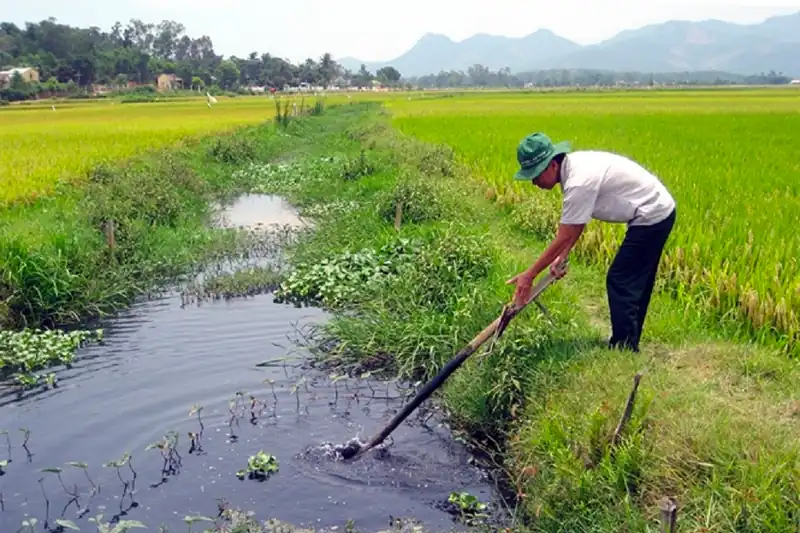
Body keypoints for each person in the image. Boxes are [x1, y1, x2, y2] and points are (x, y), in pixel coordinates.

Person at [506, 132, 676, 353]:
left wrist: (529, 275)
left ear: (552, 165)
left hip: (653, 214)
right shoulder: (573, 171)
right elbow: (576, 225)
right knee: (634, 280)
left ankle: (624, 347)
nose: (534, 182)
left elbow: (565, 234)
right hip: (653, 212)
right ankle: (627, 341)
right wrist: (562, 256)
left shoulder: (579, 182)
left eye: (536, 175)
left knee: (621, 279)